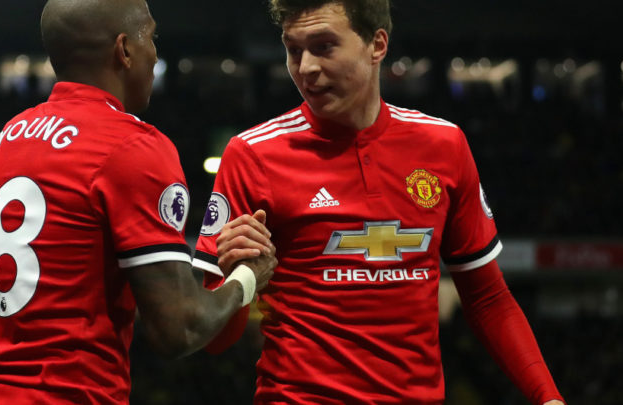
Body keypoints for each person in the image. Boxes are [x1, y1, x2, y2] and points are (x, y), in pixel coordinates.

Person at [193, 1, 566, 404]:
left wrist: (548, 397)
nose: (306, 68)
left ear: (377, 44)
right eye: (293, 49)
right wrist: (239, 277)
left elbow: (487, 298)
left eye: (324, 46)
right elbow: (215, 340)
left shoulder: (444, 146)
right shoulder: (252, 155)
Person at [0, 0, 277, 403]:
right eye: (151, 37)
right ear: (124, 49)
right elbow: (179, 329)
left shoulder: (4, 141)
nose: (155, 54)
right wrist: (247, 277)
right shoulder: (132, 146)